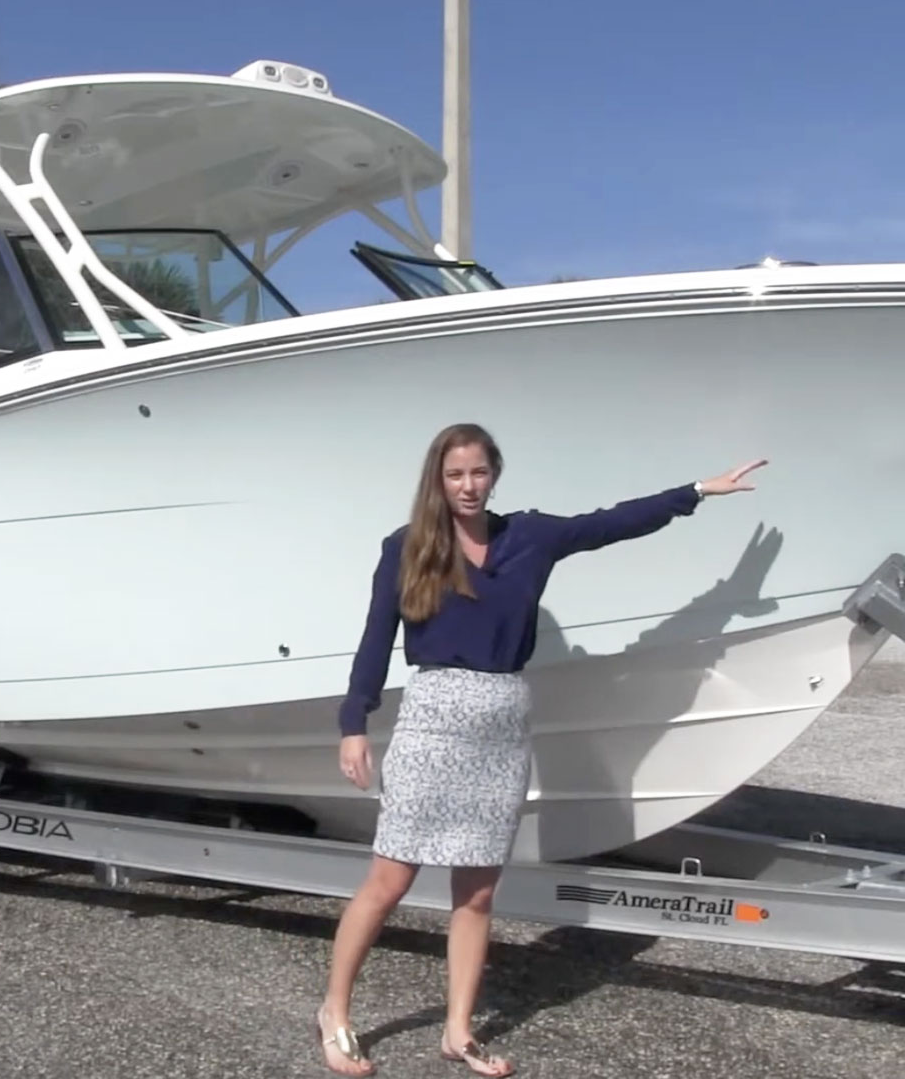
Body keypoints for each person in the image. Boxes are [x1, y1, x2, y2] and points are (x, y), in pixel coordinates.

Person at [314, 422, 765, 1077]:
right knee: (390, 879)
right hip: (433, 722)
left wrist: (696, 491)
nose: (468, 486)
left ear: (494, 473)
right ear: (437, 481)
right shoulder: (408, 545)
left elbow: (611, 523)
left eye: (478, 472)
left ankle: (458, 1031)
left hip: (501, 728)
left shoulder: (528, 536)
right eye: (455, 474)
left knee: (476, 893)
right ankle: (336, 1010)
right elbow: (375, 638)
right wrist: (354, 721)